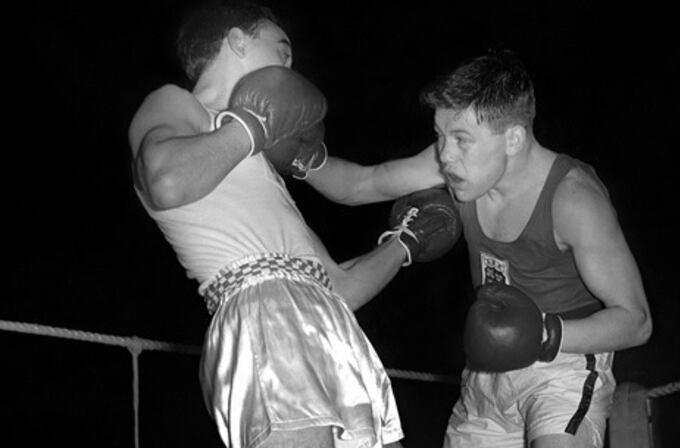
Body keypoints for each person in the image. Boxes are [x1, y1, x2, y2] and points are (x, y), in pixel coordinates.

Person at [127, 1, 460, 447]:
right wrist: (252, 126)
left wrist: (407, 239)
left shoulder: (260, 155)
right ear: (237, 41)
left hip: (327, 323)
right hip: (265, 316)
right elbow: (165, 180)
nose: (291, 64)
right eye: (281, 49)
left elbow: (340, 281)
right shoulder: (179, 105)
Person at [304, 50, 653, 447]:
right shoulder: (459, 170)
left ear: (514, 139)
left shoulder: (573, 199)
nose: (445, 155)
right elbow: (361, 185)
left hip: (565, 364)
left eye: (461, 140)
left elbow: (636, 321)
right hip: (486, 372)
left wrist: (542, 334)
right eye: (440, 135)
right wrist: (299, 156)